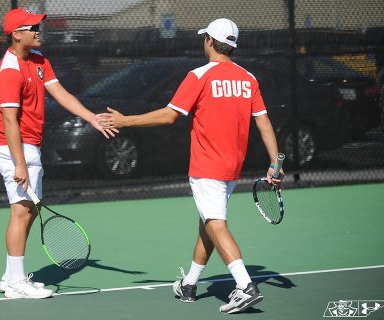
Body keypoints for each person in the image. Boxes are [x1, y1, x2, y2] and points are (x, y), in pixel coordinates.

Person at [99, 18, 283, 314]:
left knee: (214, 223)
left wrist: (125, 120)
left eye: (205, 38)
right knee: (207, 223)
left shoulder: (199, 75)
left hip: (207, 165)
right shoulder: (249, 79)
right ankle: (190, 284)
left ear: (210, 41)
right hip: (232, 167)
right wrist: (276, 163)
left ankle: (245, 285)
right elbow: (263, 123)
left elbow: (170, 115)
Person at [0, 8, 117, 299]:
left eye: (38, 26)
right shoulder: (10, 71)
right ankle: (15, 283)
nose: (38, 30)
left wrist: (91, 118)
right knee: (21, 212)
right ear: (16, 34)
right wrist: (19, 163)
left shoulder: (38, 60)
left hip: (29, 145)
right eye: (32, 27)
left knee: (30, 211)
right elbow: (10, 121)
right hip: (14, 148)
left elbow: (60, 93)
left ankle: (12, 276)